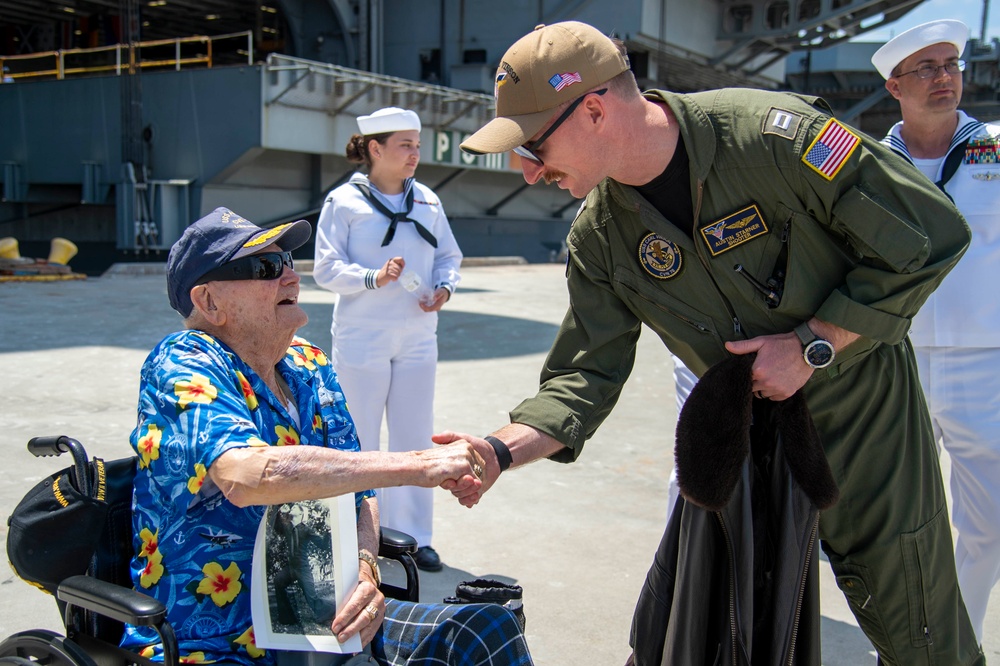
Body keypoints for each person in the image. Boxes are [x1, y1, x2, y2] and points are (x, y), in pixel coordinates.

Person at [436, 20, 985, 665]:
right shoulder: (600, 238)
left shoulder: (771, 138)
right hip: (743, 443)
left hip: (865, 422)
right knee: (716, 635)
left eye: (532, 146)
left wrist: (815, 341)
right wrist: (500, 450)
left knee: (920, 630)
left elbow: (929, 231)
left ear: (592, 109)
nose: (527, 172)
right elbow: (584, 377)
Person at [123, 207, 531, 666]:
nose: (290, 278)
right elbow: (247, 475)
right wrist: (422, 464)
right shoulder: (184, 362)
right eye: (265, 268)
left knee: (485, 628)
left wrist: (365, 569)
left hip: (327, 621)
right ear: (209, 302)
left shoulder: (308, 363)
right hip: (221, 642)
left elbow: (361, 489)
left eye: (289, 264)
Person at [873, 18, 1000, 644]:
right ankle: (896, 648)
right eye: (925, 69)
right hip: (897, 361)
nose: (944, 77)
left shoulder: (998, 150)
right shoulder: (866, 162)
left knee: (992, 524)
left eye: (951, 64)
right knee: (895, 521)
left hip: (988, 364)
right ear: (895, 86)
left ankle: (961, 646)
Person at [313, 107, 463, 573]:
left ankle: (416, 538)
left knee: (414, 435)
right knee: (358, 437)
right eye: (405, 145)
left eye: (417, 145)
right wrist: (373, 277)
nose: (415, 154)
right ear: (375, 149)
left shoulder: (429, 202)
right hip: (363, 337)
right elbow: (325, 268)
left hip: (418, 336)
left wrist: (445, 288)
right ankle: (357, 532)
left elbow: (450, 256)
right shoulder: (344, 203)